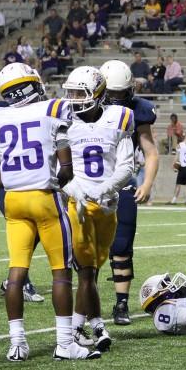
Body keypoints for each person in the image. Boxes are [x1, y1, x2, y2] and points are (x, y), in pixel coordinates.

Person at [0, 64, 99, 361]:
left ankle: (17, 344)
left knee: (16, 273)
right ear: (30, 86)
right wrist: (50, 185)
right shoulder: (53, 109)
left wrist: (16, 183)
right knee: (60, 274)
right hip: (44, 198)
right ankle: (64, 344)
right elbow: (67, 168)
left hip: (13, 202)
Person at [60, 66, 135, 353]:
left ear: (98, 94)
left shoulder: (119, 118)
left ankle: (85, 325)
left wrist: (105, 190)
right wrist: (78, 192)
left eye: (80, 92)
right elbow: (58, 169)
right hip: (77, 204)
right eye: (71, 92)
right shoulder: (64, 121)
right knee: (86, 271)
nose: (74, 98)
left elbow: (127, 166)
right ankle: (90, 327)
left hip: (107, 206)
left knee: (92, 270)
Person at [98, 60, 160, 325]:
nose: (114, 100)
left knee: (122, 244)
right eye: (110, 94)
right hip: (91, 182)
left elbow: (151, 151)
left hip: (123, 180)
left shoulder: (138, 110)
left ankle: (121, 304)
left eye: (119, 94)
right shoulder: (83, 107)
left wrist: (146, 183)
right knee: (84, 248)